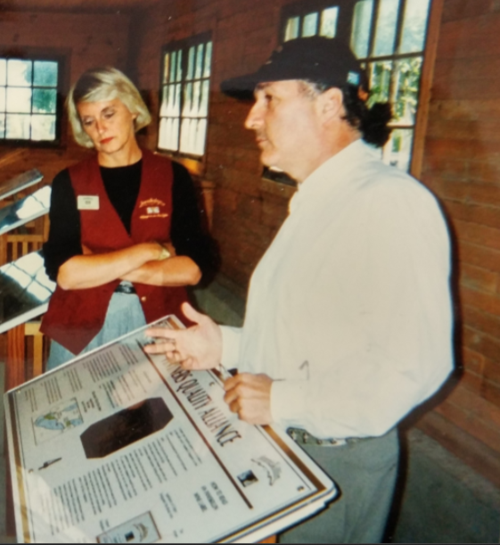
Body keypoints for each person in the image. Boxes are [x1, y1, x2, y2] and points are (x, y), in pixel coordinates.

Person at [144, 36, 453, 543]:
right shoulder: (318, 198)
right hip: (289, 446)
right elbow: (315, 333)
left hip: (335, 460)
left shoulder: (391, 202)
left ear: (329, 104)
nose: (251, 118)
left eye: (270, 99)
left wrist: (283, 400)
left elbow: (414, 364)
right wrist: (225, 343)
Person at [40, 66, 217, 371]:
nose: (100, 129)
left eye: (109, 114)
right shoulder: (68, 182)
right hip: (80, 321)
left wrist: (97, 263)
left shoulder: (173, 176)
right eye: (89, 121)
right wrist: (151, 250)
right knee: (74, 414)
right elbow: (67, 274)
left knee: (153, 413)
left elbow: (192, 270)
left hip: (158, 317)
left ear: (133, 109)